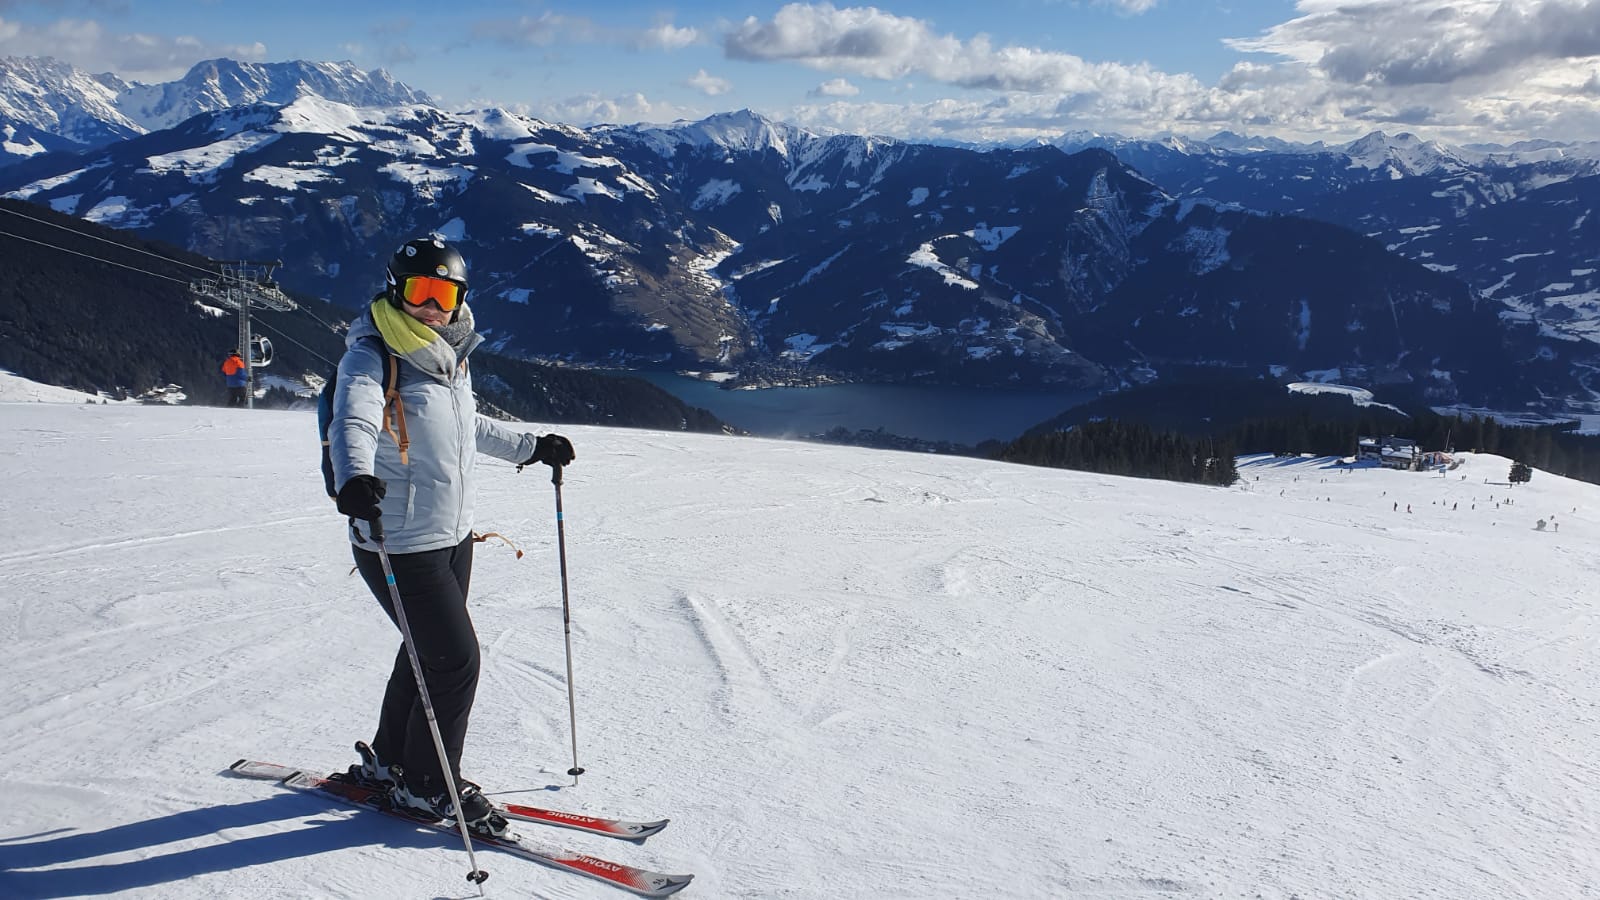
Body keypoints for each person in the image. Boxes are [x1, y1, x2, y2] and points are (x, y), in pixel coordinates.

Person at [326, 235, 576, 836]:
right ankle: (429, 785)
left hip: (452, 536)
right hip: (398, 541)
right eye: (420, 292)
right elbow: (352, 418)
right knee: (455, 661)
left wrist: (532, 447)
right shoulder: (373, 356)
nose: (431, 307)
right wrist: (352, 477)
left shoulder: (448, 356)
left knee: (428, 655)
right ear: (396, 289)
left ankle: (392, 762)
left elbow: (468, 426)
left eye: (444, 293)